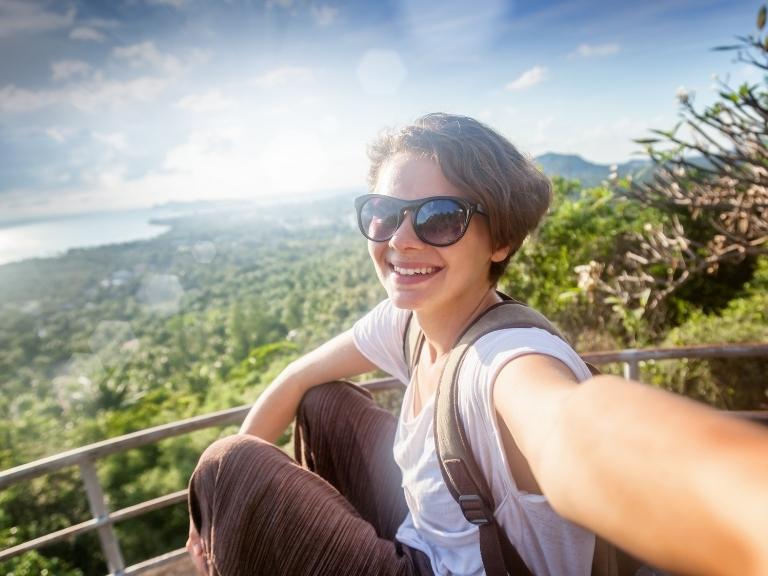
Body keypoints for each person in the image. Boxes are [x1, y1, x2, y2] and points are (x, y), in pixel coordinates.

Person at [186, 113, 768, 576]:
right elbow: (295, 376)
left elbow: (574, 433)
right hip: (429, 536)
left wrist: (742, 506)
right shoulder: (409, 319)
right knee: (320, 400)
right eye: (385, 214)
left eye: (440, 218)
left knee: (226, 467)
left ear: (501, 240)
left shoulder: (504, 363)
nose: (402, 241)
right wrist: (206, 527)